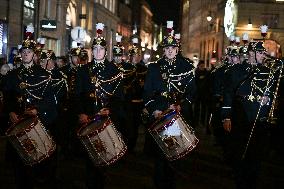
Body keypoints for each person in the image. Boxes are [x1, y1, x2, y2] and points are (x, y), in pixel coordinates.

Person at [2, 23, 63, 189]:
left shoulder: (43, 75)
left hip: (36, 123)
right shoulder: (13, 75)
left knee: (36, 162)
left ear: (33, 54)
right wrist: (10, 112)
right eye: (23, 52)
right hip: (17, 123)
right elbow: (7, 98)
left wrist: (38, 109)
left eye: (29, 52)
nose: (26, 55)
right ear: (20, 54)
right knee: (18, 165)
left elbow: (50, 101)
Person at [222, 41, 284, 189]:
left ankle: (252, 181)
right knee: (240, 151)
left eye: (264, 53)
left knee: (256, 154)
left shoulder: (268, 72)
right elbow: (228, 94)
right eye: (260, 52)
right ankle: (240, 179)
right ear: (251, 53)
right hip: (241, 115)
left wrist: (267, 100)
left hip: (260, 116)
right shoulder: (236, 71)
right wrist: (226, 116)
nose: (264, 55)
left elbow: (272, 92)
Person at [143, 21, 196, 189]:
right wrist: (154, 110)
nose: (170, 50)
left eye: (173, 47)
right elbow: (147, 93)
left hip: (177, 117)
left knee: (175, 156)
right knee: (160, 158)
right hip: (160, 116)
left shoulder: (185, 66)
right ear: (163, 50)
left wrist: (182, 107)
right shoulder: (154, 68)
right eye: (167, 48)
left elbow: (192, 93)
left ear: (177, 48)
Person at [75, 23, 126, 189]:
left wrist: (110, 110)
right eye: (95, 49)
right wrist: (81, 113)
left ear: (106, 51)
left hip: (106, 119)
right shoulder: (83, 70)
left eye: (101, 49)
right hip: (88, 118)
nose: (98, 52)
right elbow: (77, 95)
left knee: (104, 156)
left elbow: (119, 97)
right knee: (90, 158)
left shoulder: (114, 70)